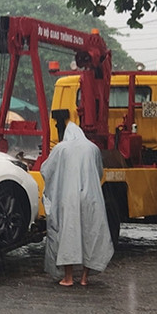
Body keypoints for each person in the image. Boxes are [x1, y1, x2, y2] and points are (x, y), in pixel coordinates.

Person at [40, 120, 114, 286]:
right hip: (91, 197)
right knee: (90, 234)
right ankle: (84, 278)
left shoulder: (61, 148)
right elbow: (99, 171)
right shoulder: (92, 148)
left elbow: (47, 170)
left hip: (69, 197)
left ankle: (68, 277)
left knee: (69, 234)